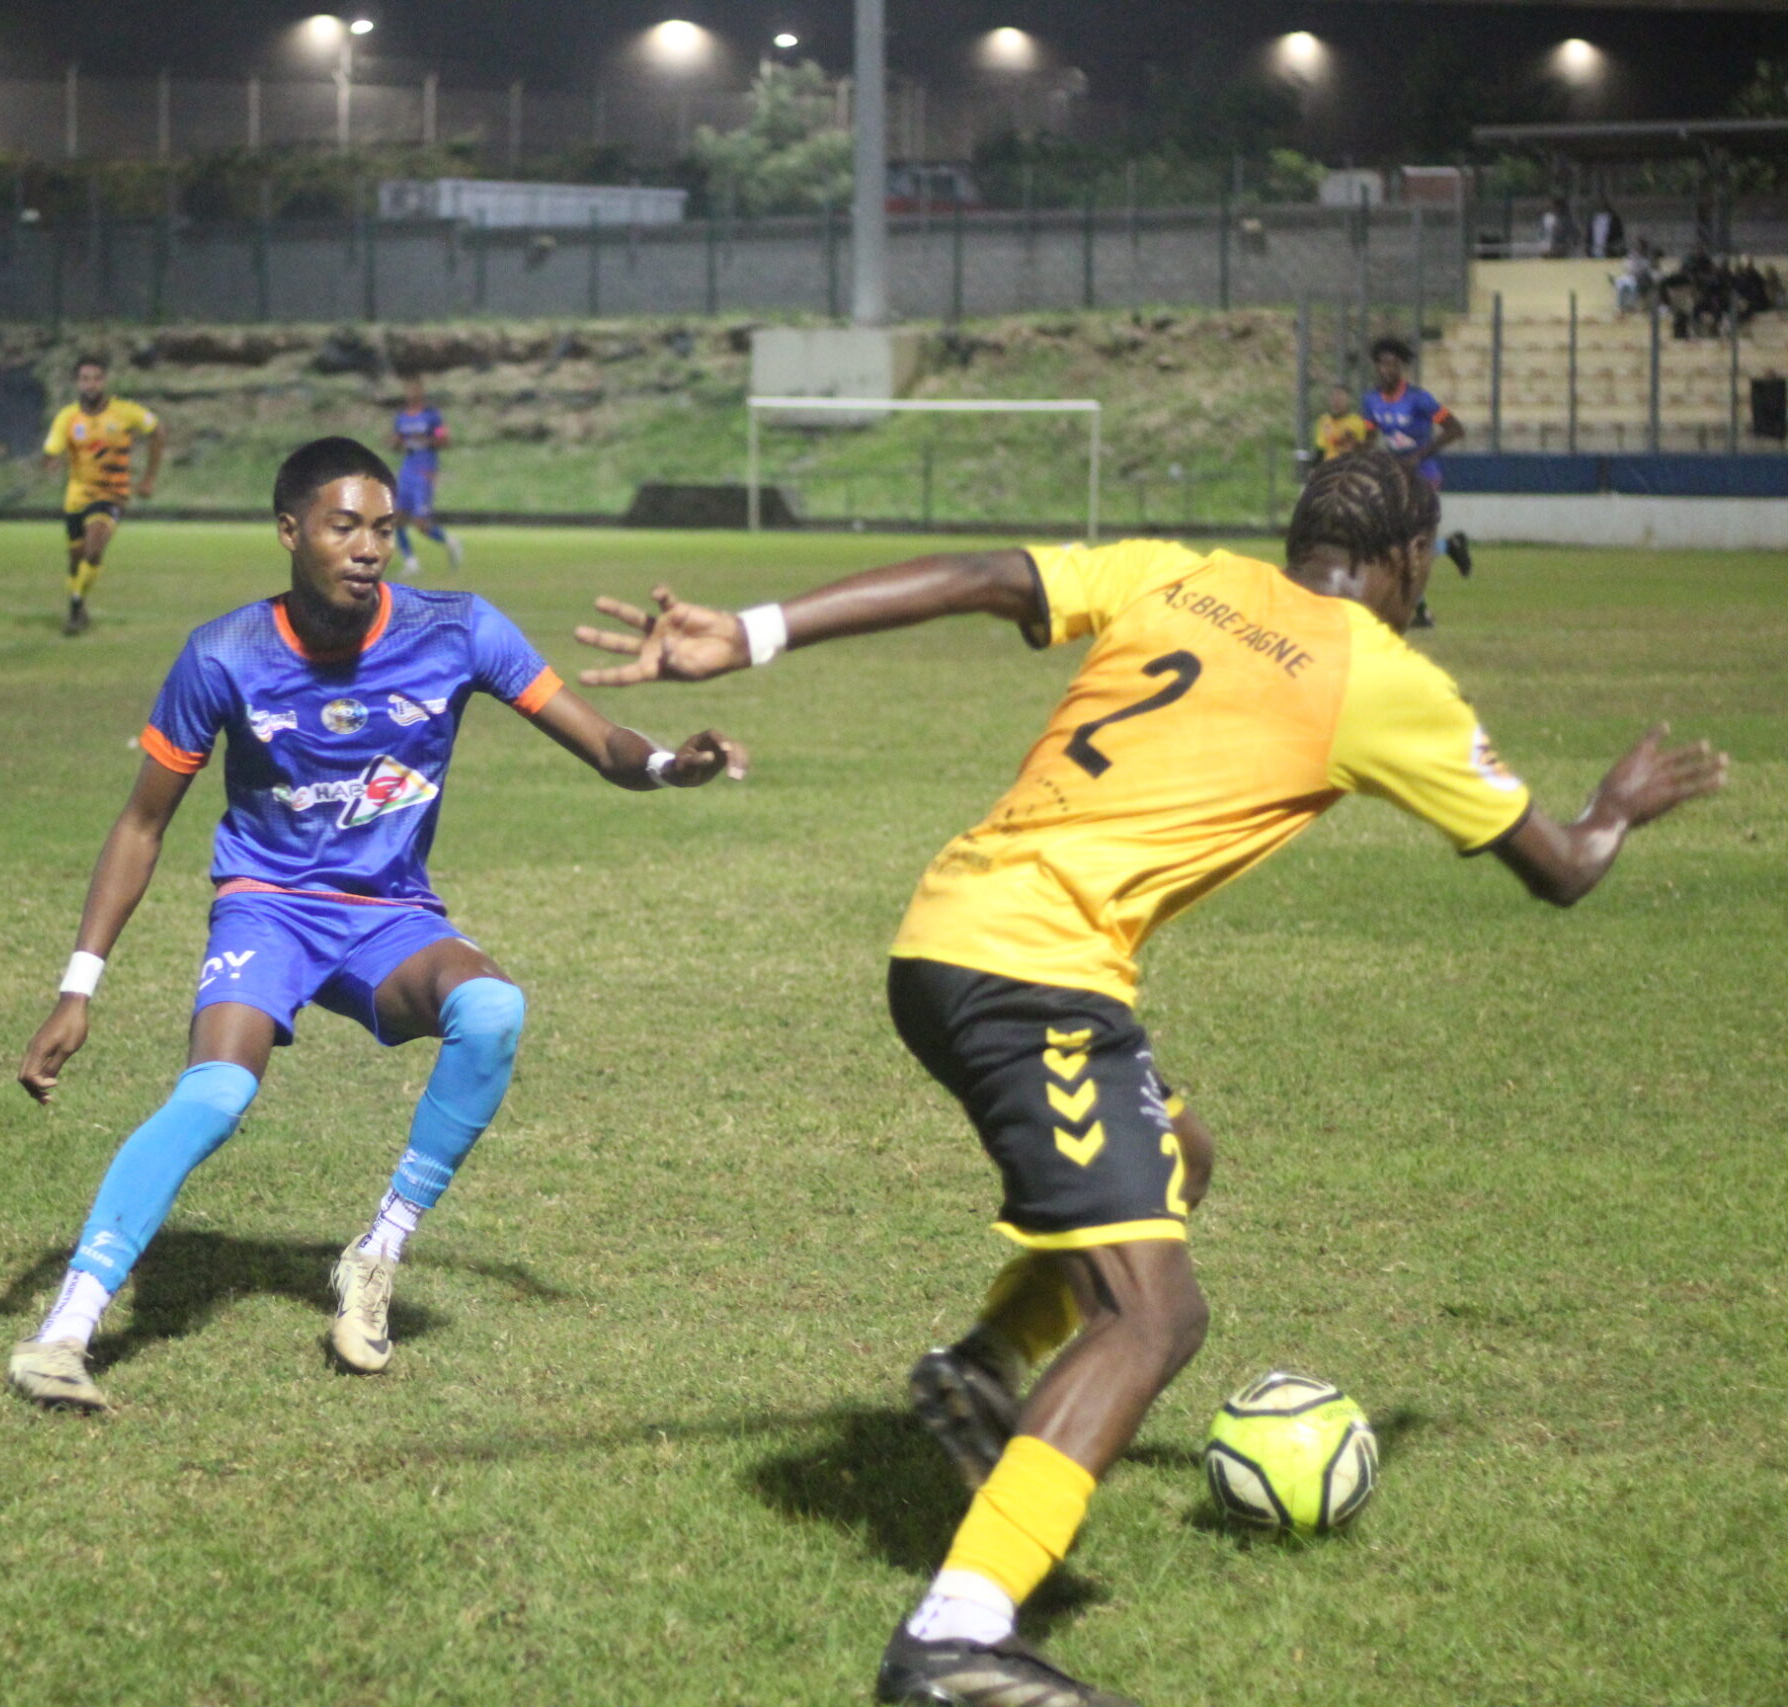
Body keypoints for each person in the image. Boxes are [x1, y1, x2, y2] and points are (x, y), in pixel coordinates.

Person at [571, 447, 1728, 1707]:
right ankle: (957, 1637)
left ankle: (983, 1367)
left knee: (1180, 1156)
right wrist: (1613, 808)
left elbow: (977, 574)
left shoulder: (1177, 575)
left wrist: (745, 632)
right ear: (1401, 561)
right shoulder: (1382, 679)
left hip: (955, 932)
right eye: (1425, 571)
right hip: (1031, 977)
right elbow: (1557, 866)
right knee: (1152, 1315)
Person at [5, 436, 746, 1413]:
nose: (368, 547)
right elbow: (142, 823)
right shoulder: (222, 653)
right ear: (289, 532)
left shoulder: (458, 630)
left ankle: (378, 1250)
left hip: (389, 916)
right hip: (265, 909)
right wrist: (78, 986)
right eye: (343, 525)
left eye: (384, 530)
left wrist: (665, 767)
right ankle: (64, 1334)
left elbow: (599, 740)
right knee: (217, 1094)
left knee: (491, 1012)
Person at [41, 354, 165, 637]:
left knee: (94, 549)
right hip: (76, 497)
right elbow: (52, 449)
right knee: (76, 559)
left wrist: (148, 477)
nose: (91, 384)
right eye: (85, 378)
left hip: (112, 495)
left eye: (96, 378)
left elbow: (158, 430)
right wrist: (51, 461)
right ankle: (79, 601)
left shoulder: (124, 411)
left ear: (104, 381)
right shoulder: (67, 417)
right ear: (77, 382)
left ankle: (74, 611)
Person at [1362, 336, 1471, 625]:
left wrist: (1421, 454)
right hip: (1395, 476)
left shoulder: (1419, 399)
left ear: (1402, 369)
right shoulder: (1370, 401)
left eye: (1394, 364)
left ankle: (1421, 611)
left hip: (1423, 475)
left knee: (1407, 543)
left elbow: (1455, 429)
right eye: (1383, 364)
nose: (1388, 370)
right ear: (1376, 367)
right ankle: (1449, 549)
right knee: (1400, 547)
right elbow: (1370, 438)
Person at [389, 374, 463, 576]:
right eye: (408, 391)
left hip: (424, 471)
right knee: (396, 519)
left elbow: (444, 439)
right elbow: (395, 441)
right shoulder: (402, 417)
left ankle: (450, 542)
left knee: (421, 524)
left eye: (415, 391)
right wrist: (397, 442)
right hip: (407, 471)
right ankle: (411, 562)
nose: (411, 394)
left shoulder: (431, 416)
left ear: (421, 393)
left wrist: (428, 440)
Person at [1310, 383, 1374, 466]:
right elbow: (1320, 449)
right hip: (1328, 467)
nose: (1336, 401)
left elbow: (1360, 449)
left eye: (1340, 398)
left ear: (1348, 400)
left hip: (1349, 466)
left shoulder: (1356, 421)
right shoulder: (1324, 420)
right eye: (1333, 397)